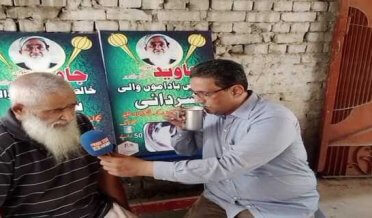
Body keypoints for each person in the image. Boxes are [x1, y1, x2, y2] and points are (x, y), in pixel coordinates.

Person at [98, 59, 319, 218]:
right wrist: (185, 128)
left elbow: (226, 166)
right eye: (195, 93)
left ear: (236, 90)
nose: (199, 100)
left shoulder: (274, 119)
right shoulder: (211, 113)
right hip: (221, 196)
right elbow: (187, 150)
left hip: (274, 204)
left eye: (205, 94)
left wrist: (145, 168)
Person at [0, 73, 136, 217]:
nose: (69, 117)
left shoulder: (81, 122)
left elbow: (105, 170)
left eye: (72, 106)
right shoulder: (4, 144)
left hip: (97, 212)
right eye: (56, 111)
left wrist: (126, 212)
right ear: (20, 110)